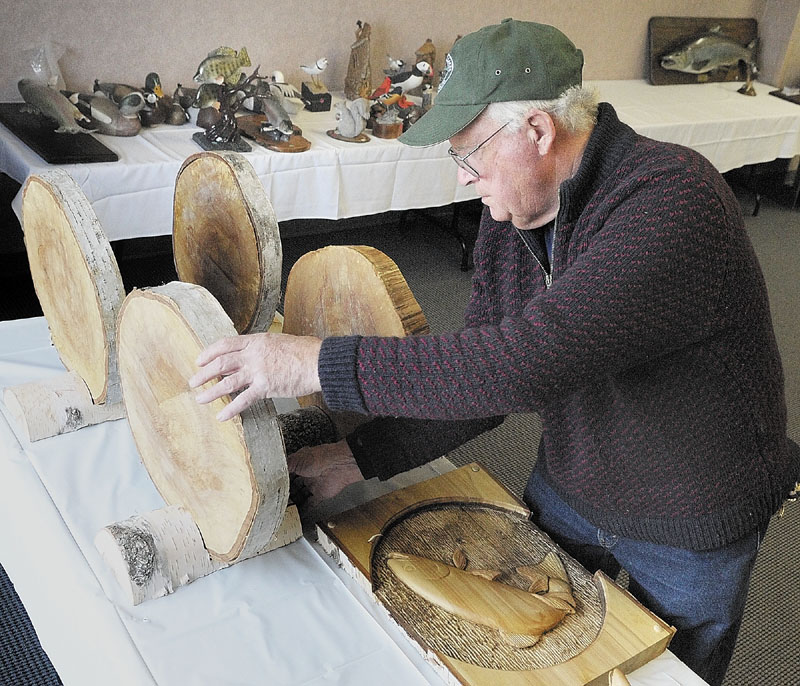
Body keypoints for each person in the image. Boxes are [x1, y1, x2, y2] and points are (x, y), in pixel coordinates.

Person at [189, 18, 800, 686]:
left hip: (690, 516)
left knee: (666, 675)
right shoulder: (514, 215)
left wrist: (311, 361)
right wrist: (353, 458)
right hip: (573, 481)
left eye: (469, 156)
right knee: (547, 657)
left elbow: (519, 365)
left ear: (536, 131)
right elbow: (479, 378)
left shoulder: (673, 201)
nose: (465, 180)